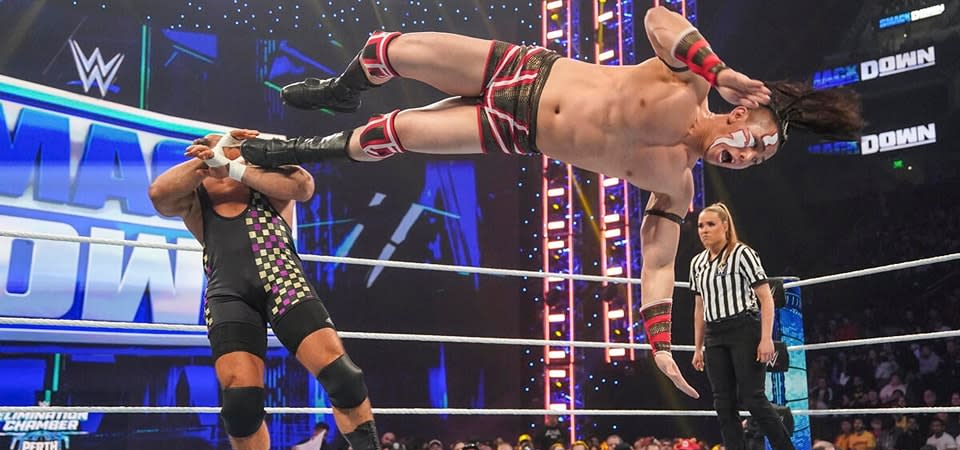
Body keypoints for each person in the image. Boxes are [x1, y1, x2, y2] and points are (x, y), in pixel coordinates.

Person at [239, 7, 862, 399]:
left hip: (520, 132)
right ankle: (342, 89)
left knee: (392, 136)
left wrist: (660, 342)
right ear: (741, 112)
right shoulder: (691, 81)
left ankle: (291, 148)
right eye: (752, 144)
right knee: (386, 49)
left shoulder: (678, 184)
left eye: (757, 161)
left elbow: (659, 261)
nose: (746, 158)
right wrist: (719, 68)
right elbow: (658, 21)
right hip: (526, 71)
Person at [148, 130, 428, 450]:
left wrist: (237, 162)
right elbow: (158, 194)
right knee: (240, 401)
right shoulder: (196, 195)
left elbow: (304, 186)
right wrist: (206, 161)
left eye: (229, 142)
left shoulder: (267, 178)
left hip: (283, 282)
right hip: (228, 292)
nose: (223, 148)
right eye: (214, 144)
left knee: (344, 377)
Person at [689, 202, 804, 450]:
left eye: (710, 224)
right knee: (723, 404)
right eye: (701, 225)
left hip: (744, 328)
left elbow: (766, 298)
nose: (704, 230)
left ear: (725, 226)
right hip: (715, 334)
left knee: (754, 398)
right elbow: (699, 306)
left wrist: (766, 338)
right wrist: (697, 347)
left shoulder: (743, 254)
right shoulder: (697, 263)